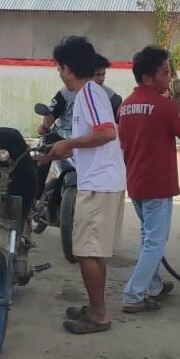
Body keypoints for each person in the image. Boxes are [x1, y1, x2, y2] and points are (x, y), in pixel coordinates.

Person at [38, 36, 126, 335]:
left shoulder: (88, 94)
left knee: (85, 252)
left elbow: (106, 133)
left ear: (66, 68)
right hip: (103, 180)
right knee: (94, 251)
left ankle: (99, 315)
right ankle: (94, 307)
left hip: (99, 183)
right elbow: (92, 138)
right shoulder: (91, 94)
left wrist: (70, 143)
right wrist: (55, 152)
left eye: (59, 67)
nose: (58, 72)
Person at [117, 46, 180, 313]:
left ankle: (153, 285)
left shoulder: (125, 106)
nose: (169, 78)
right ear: (148, 77)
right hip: (158, 185)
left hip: (136, 182)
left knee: (147, 237)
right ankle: (133, 295)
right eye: (165, 72)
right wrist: (179, 108)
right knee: (155, 241)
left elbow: (124, 144)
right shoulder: (164, 106)